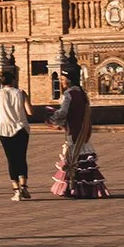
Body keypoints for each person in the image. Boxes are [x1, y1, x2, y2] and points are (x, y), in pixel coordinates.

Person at [49, 60, 106, 199]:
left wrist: (50, 117)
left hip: (73, 131)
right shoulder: (82, 93)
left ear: (69, 80)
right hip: (83, 130)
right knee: (82, 160)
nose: (61, 82)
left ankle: (73, 188)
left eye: (63, 79)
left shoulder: (69, 94)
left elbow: (63, 113)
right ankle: (84, 189)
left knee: (73, 160)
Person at [0, 68, 34, 201]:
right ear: (13, 80)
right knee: (21, 157)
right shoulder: (20, 93)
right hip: (21, 128)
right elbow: (30, 111)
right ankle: (24, 185)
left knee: (11, 158)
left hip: (3, 129)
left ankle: (16, 190)